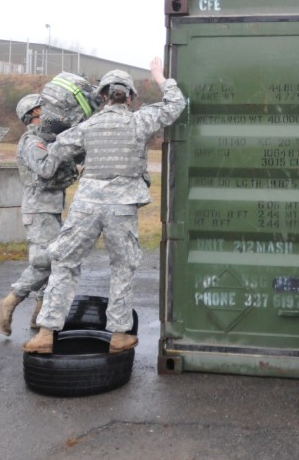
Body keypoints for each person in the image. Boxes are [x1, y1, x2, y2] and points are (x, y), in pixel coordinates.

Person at [23, 58, 185, 354]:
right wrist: (160, 77)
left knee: (65, 264)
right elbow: (176, 104)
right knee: (122, 268)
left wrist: (42, 138)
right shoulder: (140, 120)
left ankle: (45, 334)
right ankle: (119, 335)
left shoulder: (87, 127)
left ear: (102, 96)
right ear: (131, 97)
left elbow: (53, 154)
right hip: (121, 209)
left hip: (85, 207)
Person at [0, 94, 79, 337]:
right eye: (44, 108)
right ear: (34, 115)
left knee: (52, 260)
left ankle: (40, 315)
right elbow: (47, 169)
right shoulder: (31, 142)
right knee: (44, 262)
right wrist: (62, 147)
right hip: (39, 210)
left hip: (49, 208)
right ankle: (7, 304)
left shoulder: (47, 139)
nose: (50, 112)